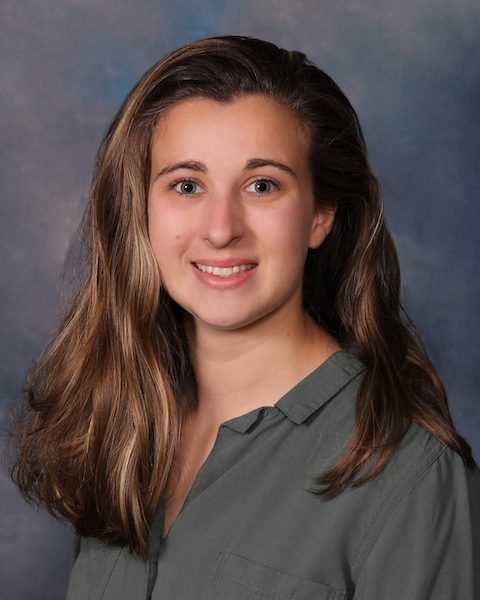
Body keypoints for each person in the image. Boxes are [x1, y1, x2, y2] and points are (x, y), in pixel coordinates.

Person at [12, 35, 479, 600]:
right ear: (141, 209)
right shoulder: (123, 426)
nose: (220, 227)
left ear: (320, 216)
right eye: (186, 185)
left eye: (262, 185)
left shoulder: (408, 473)